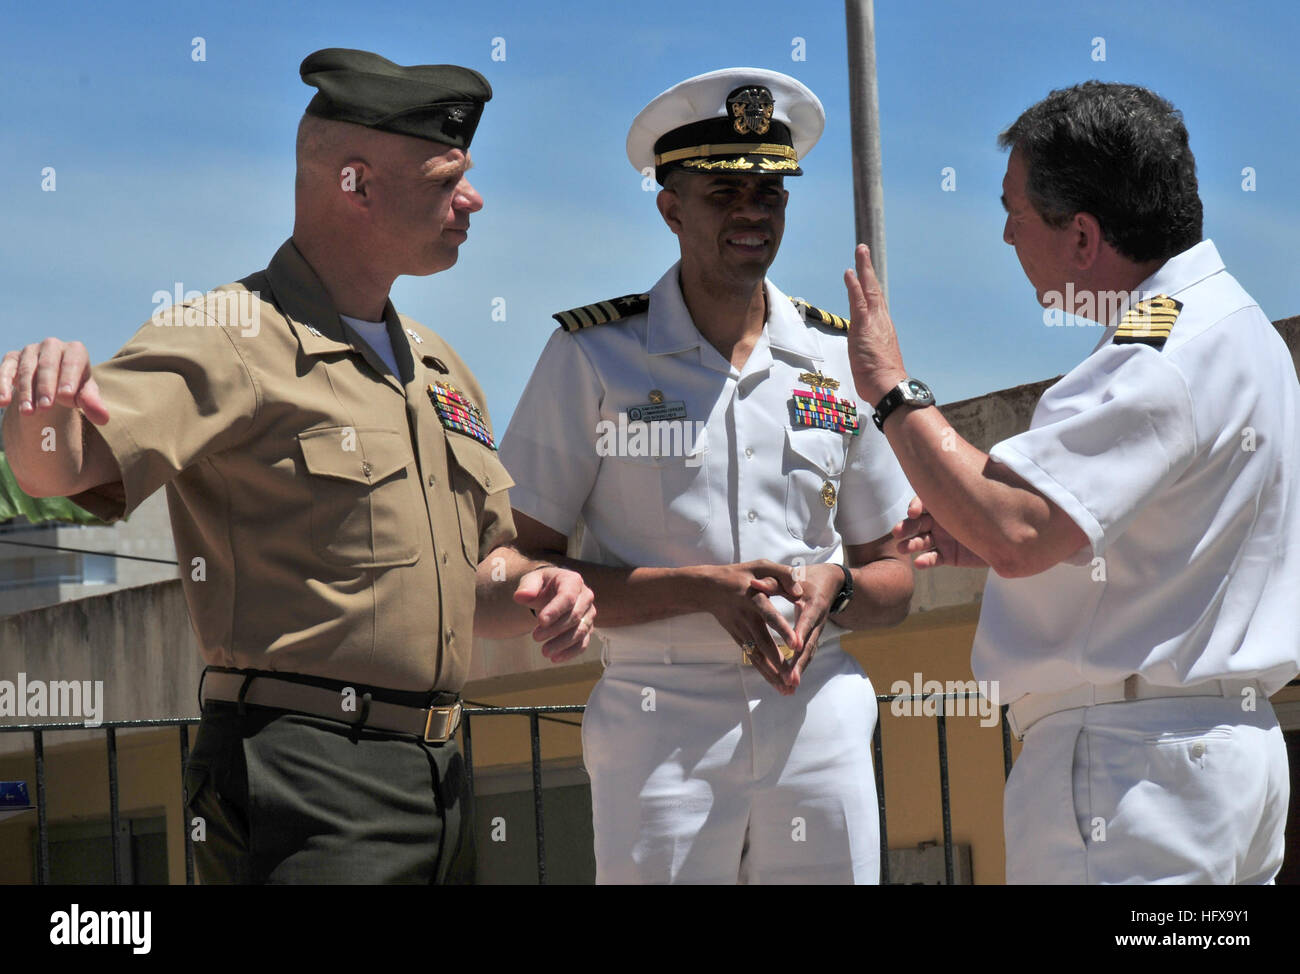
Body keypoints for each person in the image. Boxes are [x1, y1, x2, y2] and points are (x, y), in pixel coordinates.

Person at [0, 48, 596, 884]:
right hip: (303, 770)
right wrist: (36, 409)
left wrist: (535, 586)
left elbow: (480, 573)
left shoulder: (441, 368)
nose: (473, 198)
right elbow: (58, 471)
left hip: (441, 774)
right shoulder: (230, 334)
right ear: (356, 184)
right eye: (443, 179)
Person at [843, 80, 1299, 884]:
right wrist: (980, 529)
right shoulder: (1234, 330)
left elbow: (1019, 529)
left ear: (1082, 236)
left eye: (1015, 209)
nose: (1008, 233)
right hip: (1212, 759)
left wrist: (891, 390)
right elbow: (1151, 542)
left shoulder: (1160, 352)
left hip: (1132, 770)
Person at [499, 68, 914, 884]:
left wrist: (840, 587)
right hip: (660, 723)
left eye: (770, 194)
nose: (752, 213)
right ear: (669, 207)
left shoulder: (837, 360)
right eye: (724, 192)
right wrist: (700, 589)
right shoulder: (592, 356)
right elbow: (519, 563)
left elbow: (897, 577)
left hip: (817, 712)